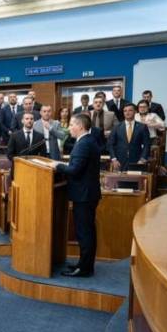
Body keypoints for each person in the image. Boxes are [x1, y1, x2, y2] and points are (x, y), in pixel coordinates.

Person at [54, 114, 101, 277]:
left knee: (84, 232)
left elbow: (74, 170)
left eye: (72, 124)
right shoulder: (88, 141)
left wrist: (57, 166)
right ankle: (84, 264)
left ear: (80, 126)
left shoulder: (84, 143)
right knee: (86, 231)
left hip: (84, 195)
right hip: (87, 194)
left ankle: (85, 268)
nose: (69, 128)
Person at [109, 104, 150, 172]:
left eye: (130, 110)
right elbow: (110, 144)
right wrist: (114, 159)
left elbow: (147, 144)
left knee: (135, 179)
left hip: (137, 161)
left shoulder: (142, 127)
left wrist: (142, 159)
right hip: (119, 162)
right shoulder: (116, 127)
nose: (127, 113)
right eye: (125, 111)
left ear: (135, 112)